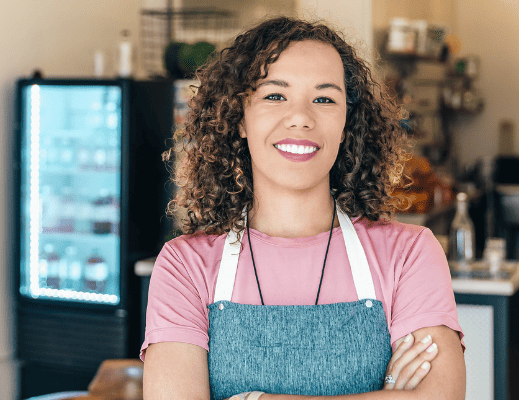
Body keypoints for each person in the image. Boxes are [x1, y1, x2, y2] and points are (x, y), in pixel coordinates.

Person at [140, 17, 466, 400]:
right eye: (275, 95)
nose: (300, 117)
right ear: (239, 118)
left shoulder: (410, 253)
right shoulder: (184, 267)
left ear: (347, 123)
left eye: (325, 98)